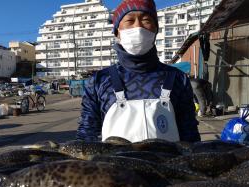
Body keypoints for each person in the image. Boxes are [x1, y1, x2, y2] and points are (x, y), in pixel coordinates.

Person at [77, 0, 200, 143]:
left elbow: (190, 136)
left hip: (169, 164)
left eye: (146, 20)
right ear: (117, 32)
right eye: (130, 20)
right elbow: (86, 137)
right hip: (113, 165)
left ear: (155, 29)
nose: (138, 27)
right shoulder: (99, 80)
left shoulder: (177, 78)